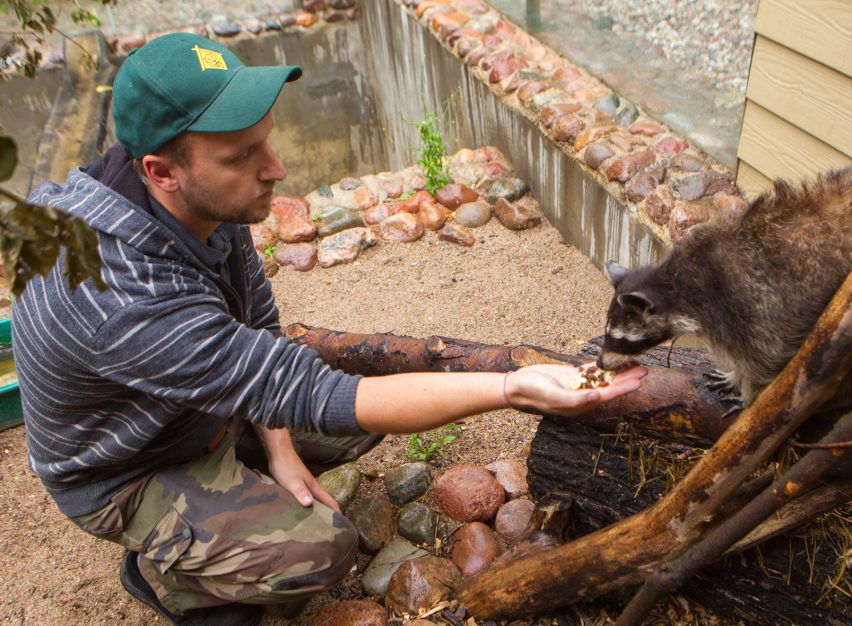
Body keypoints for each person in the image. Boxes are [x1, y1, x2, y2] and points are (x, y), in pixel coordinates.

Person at [11, 32, 647, 625]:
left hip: (190, 404)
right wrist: (512, 388)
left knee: (352, 424)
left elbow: (261, 329)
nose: (276, 170)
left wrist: (282, 455)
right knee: (321, 550)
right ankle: (166, 576)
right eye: (244, 156)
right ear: (160, 171)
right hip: (131, 463)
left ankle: (241, 474)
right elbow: (316, 393)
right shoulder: (119, 291)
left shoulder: (205, 197)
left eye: (266, 140)